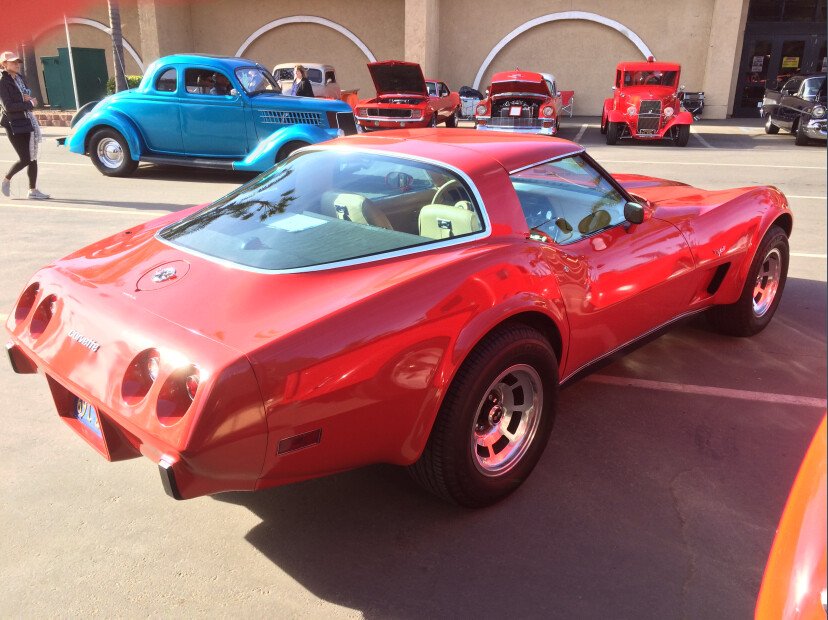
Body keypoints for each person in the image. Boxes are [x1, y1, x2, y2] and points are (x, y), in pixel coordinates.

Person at [0, 51, 48, 199]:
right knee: (25, 158)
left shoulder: (19, 78)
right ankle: (6, 179)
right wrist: (28, 102)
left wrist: (28, 101)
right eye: (13, 62)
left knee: (33, 157)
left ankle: (32, 191)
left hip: (26, 120)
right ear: (4, 64)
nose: (16, 64)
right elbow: (8, 107)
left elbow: (25, 100)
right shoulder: (2, 81)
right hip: (13, 124)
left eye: (17, 62)